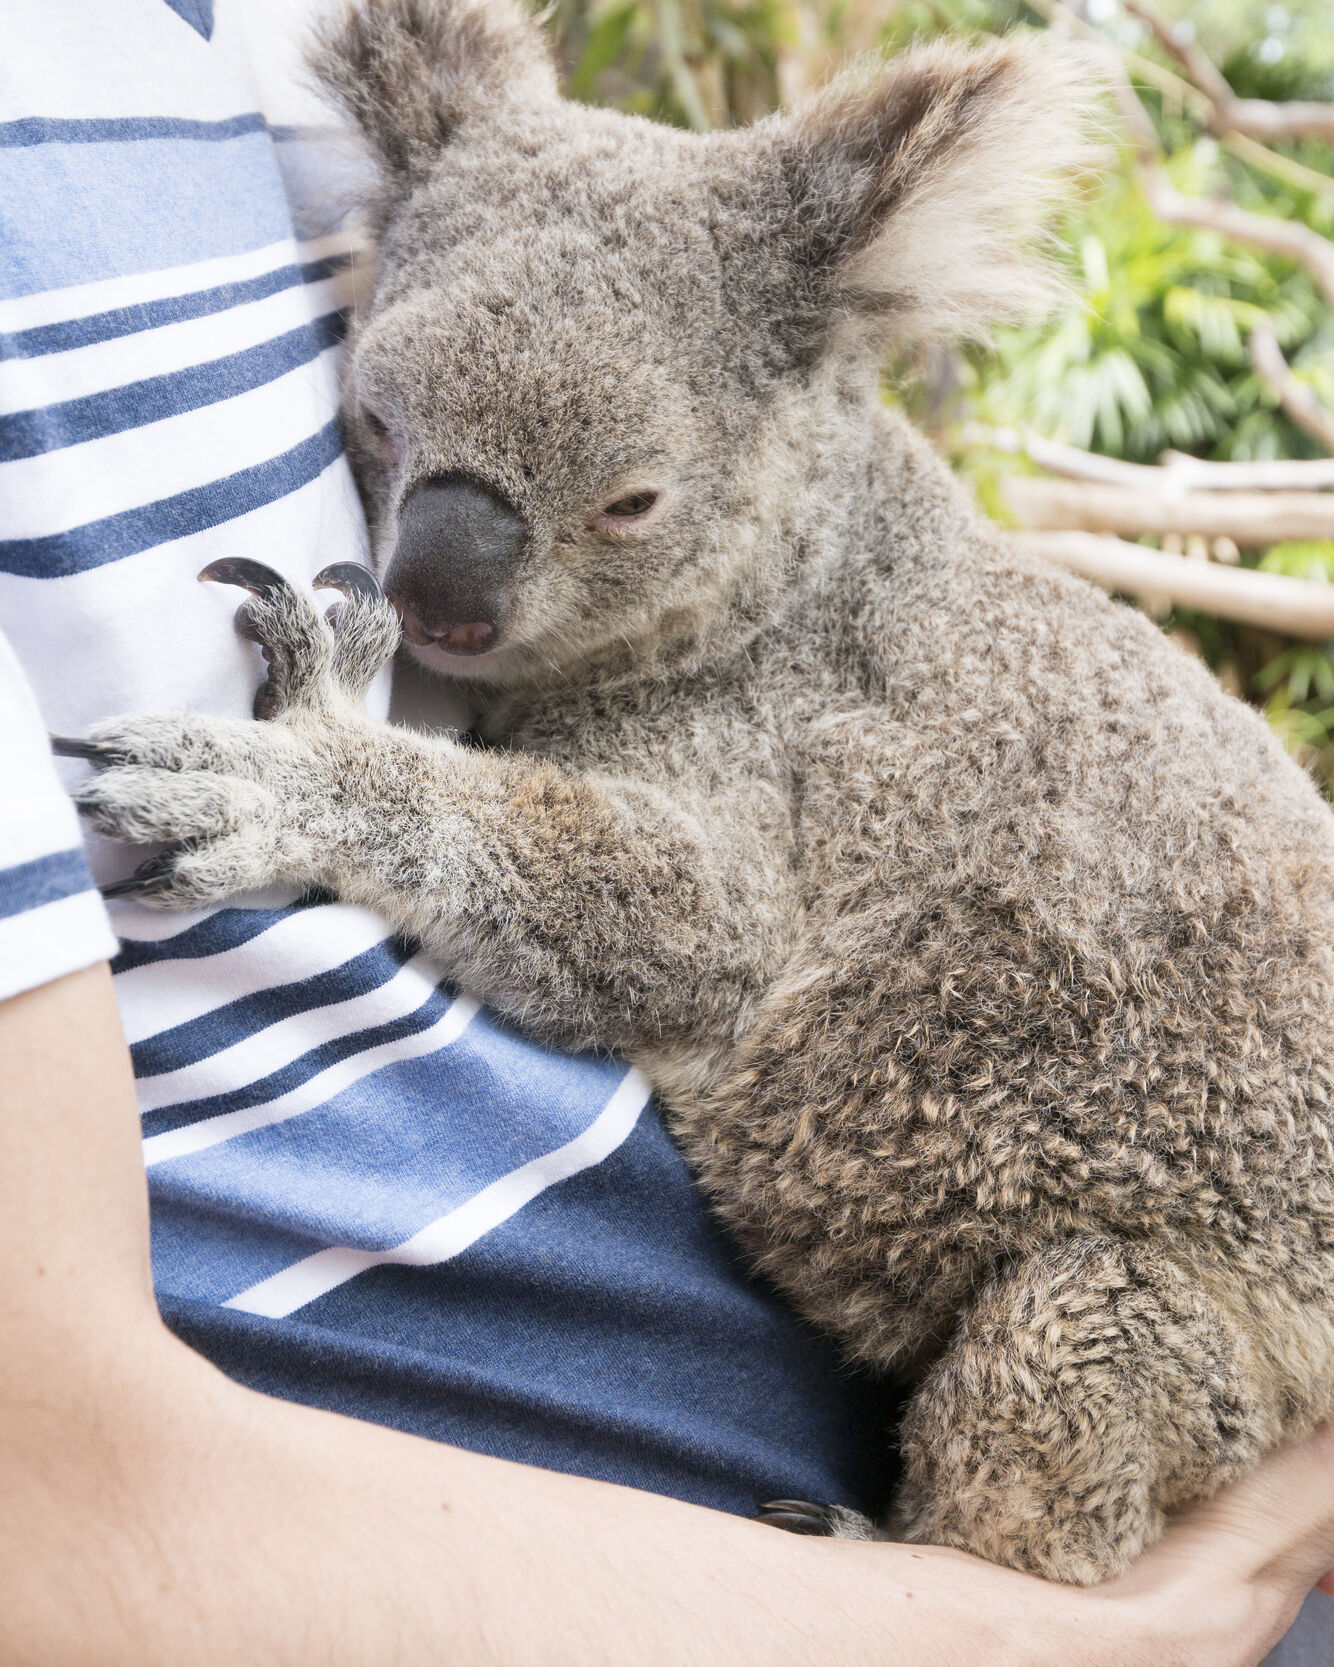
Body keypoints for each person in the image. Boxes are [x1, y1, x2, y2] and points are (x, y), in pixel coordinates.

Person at [1, 3, 1330, 1661]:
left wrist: (328, 788)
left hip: (1141, 1300)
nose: (442, 598)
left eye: (622, 507)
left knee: (1061, 1373)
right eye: (385, 440)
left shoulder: (784, 630)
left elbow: (682, 938)